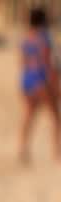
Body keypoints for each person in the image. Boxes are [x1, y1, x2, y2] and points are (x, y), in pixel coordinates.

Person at [18, 7, 60, 165]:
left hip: (27, 81)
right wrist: (54, 84)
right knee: (56, 118)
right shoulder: (45, 37)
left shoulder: (26, 39)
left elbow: (22, 63)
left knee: (28, 117)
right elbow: (47, 62)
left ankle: (22, 148)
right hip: (43, 81)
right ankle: (56, 152)